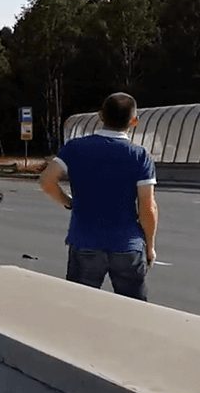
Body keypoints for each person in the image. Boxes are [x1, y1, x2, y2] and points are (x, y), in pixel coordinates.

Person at [39, 93, 158, 301]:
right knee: (135, 310)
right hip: (127, 245)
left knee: (80, 305)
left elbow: (47, 181)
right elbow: (147, 207)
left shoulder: (75, 148)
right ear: (134, 121)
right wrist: (150, 246)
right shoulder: (140, 156)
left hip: (84, 241)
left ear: (100, 116)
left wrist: (69, 202)